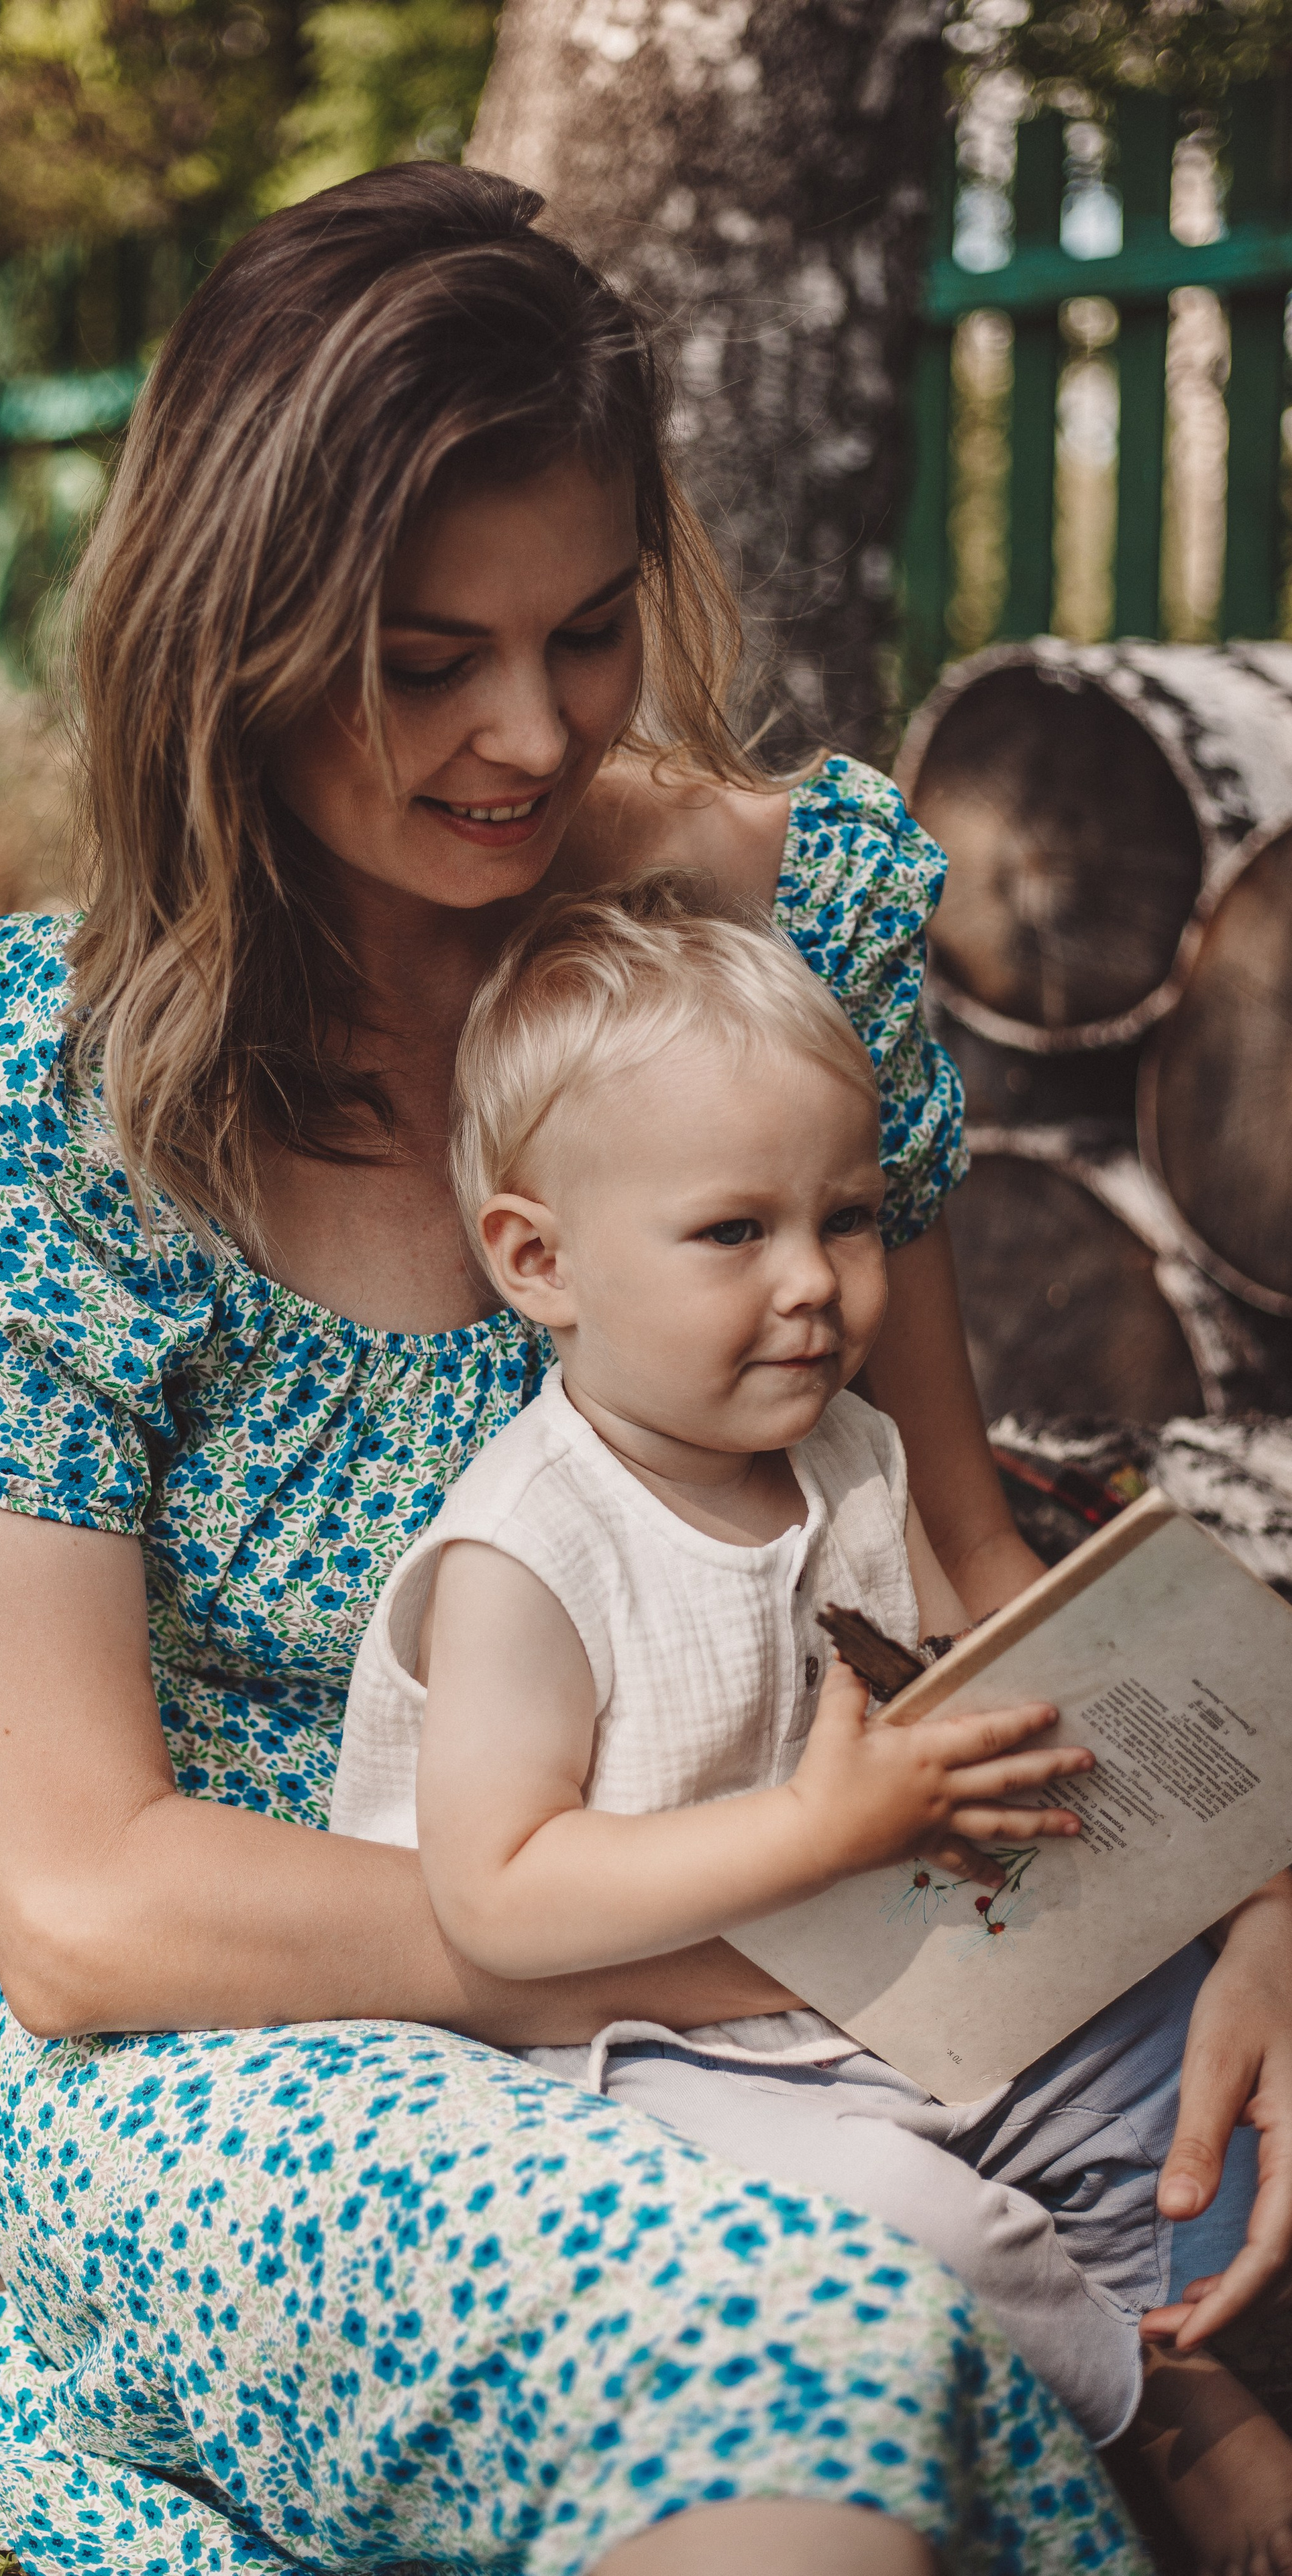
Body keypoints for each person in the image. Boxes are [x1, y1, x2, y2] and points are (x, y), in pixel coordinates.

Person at [0, 161, 1281, 2576]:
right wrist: (765, 1931)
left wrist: (1235, 1870)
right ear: (231, 635)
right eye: (422, 659)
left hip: (861, 1954)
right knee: (818, 2345)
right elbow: (88, 1902)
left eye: (590, 634)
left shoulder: (780, 917)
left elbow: (967, 1563)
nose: (526, 735)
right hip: (256, 2054)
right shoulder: (51, 1078)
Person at [329, 877, 1292, 2549]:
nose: (813, 1285)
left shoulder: (852, 1451)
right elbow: (491, 1893)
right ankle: (1164, 2416)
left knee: (1157, 2053)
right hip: (624, 2050)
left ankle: (1184, 2311)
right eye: (732, 1232)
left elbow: (931, 1682)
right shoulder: (528, 1546)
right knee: (902, 2210)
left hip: (857, 1973)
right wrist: (811, 1830)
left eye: (842, 1220)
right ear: (537, 1259)